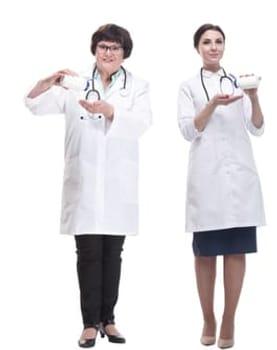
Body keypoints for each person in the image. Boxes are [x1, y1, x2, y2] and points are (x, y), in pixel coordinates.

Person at [24, 23, 152, 349]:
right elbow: (34, 105)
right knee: (88, 253)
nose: (108, 53)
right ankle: (89, 324)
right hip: (83, 181)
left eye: (115, 48)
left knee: (114, 253)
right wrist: (45, 83)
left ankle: (109, 319)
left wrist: (110, 110)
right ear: (95, 50)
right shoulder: (75, 83)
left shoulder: (137, 86)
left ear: (125, 53)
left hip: (117, 184)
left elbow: (142, 122)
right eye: (103, 47)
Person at [177, 23, 266, 350]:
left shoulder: (239, 83)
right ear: (197, 47)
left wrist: (254, 99)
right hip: (207, 179)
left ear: (224, 46)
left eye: (218, 42)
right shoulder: (188, 87)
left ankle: (229, 318)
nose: (213, 47)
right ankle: (208, 317)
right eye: (206, 42)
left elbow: (257, 128)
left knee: (236, 249)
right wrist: (213, 104)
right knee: (205, 254)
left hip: (240, 180)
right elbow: (189, 130)